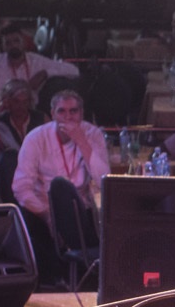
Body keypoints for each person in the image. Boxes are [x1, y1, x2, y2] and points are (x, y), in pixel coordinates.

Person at [12, 89, 109, 273]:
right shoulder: (36, 138)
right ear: (52, 114)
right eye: (62, 111)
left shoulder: (92, 134)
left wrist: (81, 141)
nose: (68, 117)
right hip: (43, 207)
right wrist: (47, 215)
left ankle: (80, 273)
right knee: (57, 188)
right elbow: (21, 187)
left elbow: (104, 179)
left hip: (79, 208)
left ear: (81, 113)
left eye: (74, 111)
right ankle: (62, 274)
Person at [0, 23, 79, 97]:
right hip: (4, 113)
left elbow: (74, 70)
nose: (13, 45)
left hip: (33, 113)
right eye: (8, 43)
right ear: (3, 47)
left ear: (24, 42)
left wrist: (45, 73)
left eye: (16, 41)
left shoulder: (36, 61)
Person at [0, 79, 44, 149]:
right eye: (16, 101)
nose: (21, 106)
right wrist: (1, 107)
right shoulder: (1, 121)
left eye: (25, 102)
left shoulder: (40, 118)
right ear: (8, 101)